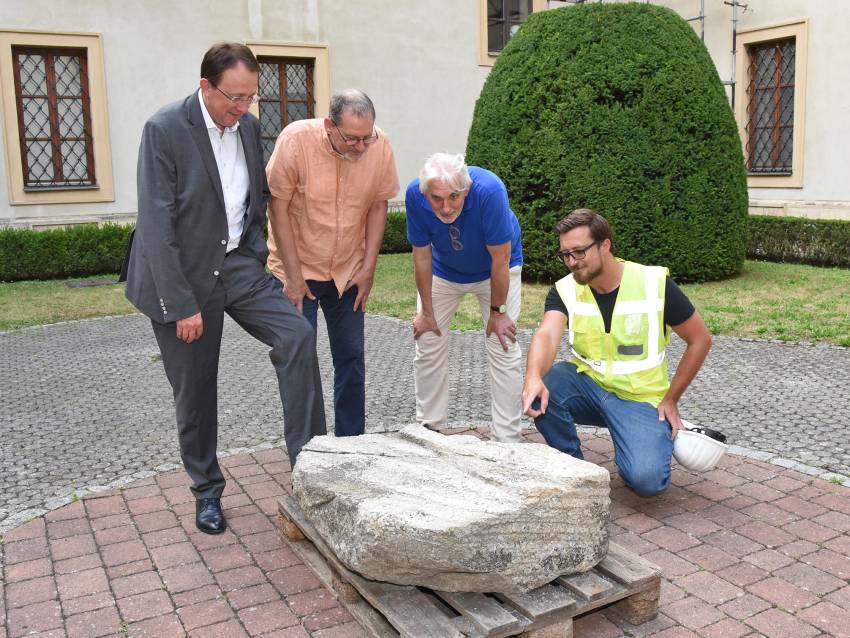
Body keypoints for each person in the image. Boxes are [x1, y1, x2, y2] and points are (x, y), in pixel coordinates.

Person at [122, 43, 326, 535]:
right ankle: (207, 492)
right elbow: (156, 225)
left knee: (296, 336)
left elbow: (253, 199)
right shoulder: (165, 129)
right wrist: (181, 305)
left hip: (238, 266)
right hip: (182, 276)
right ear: (205, 86)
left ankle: (312, 466)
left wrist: (255, 253)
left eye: (251, 97)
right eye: (234, 97)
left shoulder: (250, 128)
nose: (243, 107)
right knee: (196, 391)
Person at [521, 209, 712, 496]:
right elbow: (547, 334)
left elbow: (700, 340)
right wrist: (533, 377)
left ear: (605, 245)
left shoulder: (654, 284)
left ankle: (644, 434)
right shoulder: (565, 289)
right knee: (544, 387)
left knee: (646, 481)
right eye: (565, 255)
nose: (572, 262)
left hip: (639, 399)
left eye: (579, 252)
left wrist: (671, 399)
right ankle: (577, 471)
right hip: (589, 386)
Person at [265, 89, 399, 437]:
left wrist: (368, 269)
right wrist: (293, 279)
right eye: (352, 138)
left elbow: (378, 205)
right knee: (300, 363)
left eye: (366, 137)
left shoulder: (379, 144)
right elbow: (277, 207)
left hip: (348, 272)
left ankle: (351, 443)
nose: (361, 147)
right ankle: (307, 452)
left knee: (352, 357)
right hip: (299, 270)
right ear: (329, 125)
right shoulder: (295, 141)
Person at [405, 153, 524, 442]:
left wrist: (498, 312)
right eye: (436, 199)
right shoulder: (414, 194)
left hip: (495, 270)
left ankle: (507, 439)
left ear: (466, 190)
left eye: (454, 197)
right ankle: (429, 428)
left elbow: (501, 257)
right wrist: (426, 312)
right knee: (429, 339)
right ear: (425, 194)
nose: (446, 208)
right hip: (444, 270)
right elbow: (421, 256)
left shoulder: (490, 190)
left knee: (502, 342)